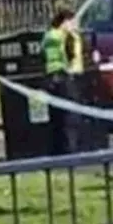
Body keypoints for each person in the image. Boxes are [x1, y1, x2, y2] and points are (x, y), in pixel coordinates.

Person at [41, 8, 85, 153]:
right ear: (65, 22)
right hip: (64, 76)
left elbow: (43, 55)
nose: (75, 26)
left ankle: (60, 147)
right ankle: (71, 148)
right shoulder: (62, 37)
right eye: (72, 23)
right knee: (70, 115)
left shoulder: (49, 36)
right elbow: (69, 55)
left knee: (58, 115)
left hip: (52, 78)